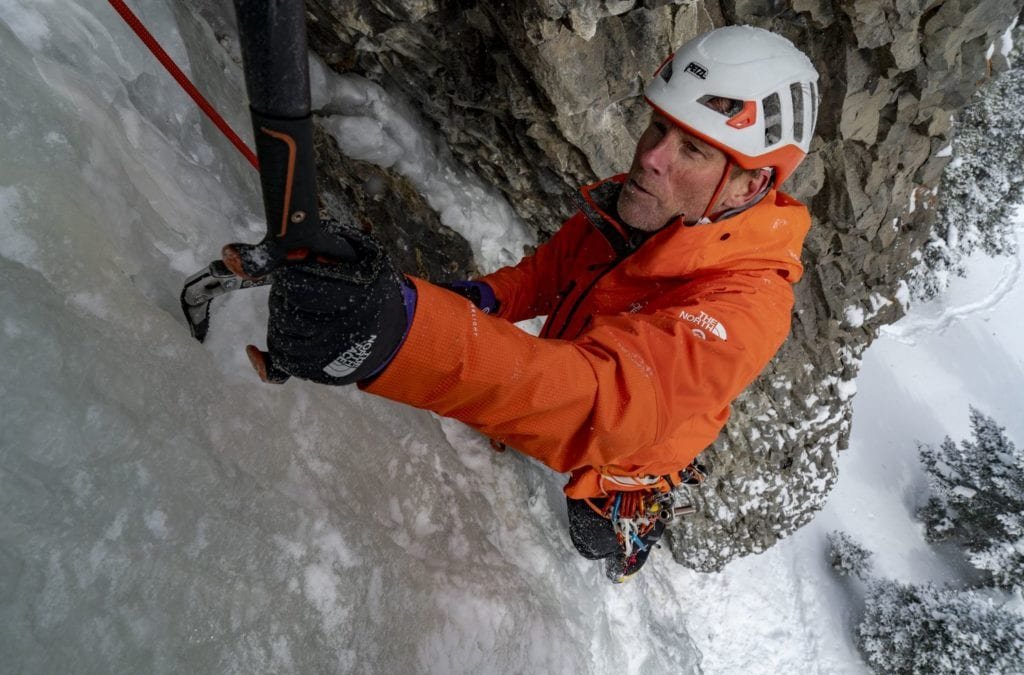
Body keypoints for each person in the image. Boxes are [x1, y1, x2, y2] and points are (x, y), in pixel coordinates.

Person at [228, 25, 820, 582]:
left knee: (594, 535)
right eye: (657, 127)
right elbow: (548, 273)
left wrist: (401, 336)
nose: (651, 157)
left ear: (750, 186)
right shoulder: (641, 207)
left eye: (692, 149)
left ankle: (635, 521)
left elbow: (604, 400)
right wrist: (476, 299)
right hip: (567, 370)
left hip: (632, 448)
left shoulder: (749, 304)